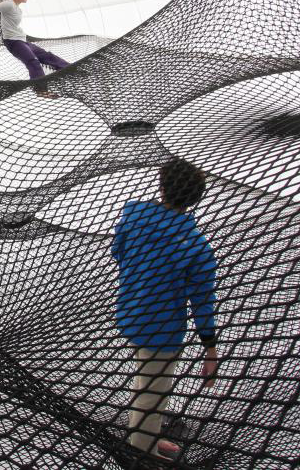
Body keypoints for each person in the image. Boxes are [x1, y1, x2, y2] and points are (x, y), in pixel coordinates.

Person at [110, 158, 219, 460]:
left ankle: (148, 435)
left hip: (129, 312)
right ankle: (142, 454)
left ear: (162, 188)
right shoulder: (196, 246)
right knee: (153, 390)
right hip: (162, 329)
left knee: (148, 382)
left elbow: (117, 251)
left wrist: (144, 273)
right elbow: (202, 301)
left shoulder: (132, 216)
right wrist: (210, 349)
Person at [0, 0, 69, 97]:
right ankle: (41, 91)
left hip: (22, 40)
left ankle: (69, 69)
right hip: (13, 42)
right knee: (33, 62)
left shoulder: (9, 2)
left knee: (47, 56)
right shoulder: (9, 4)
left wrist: (2, 0)